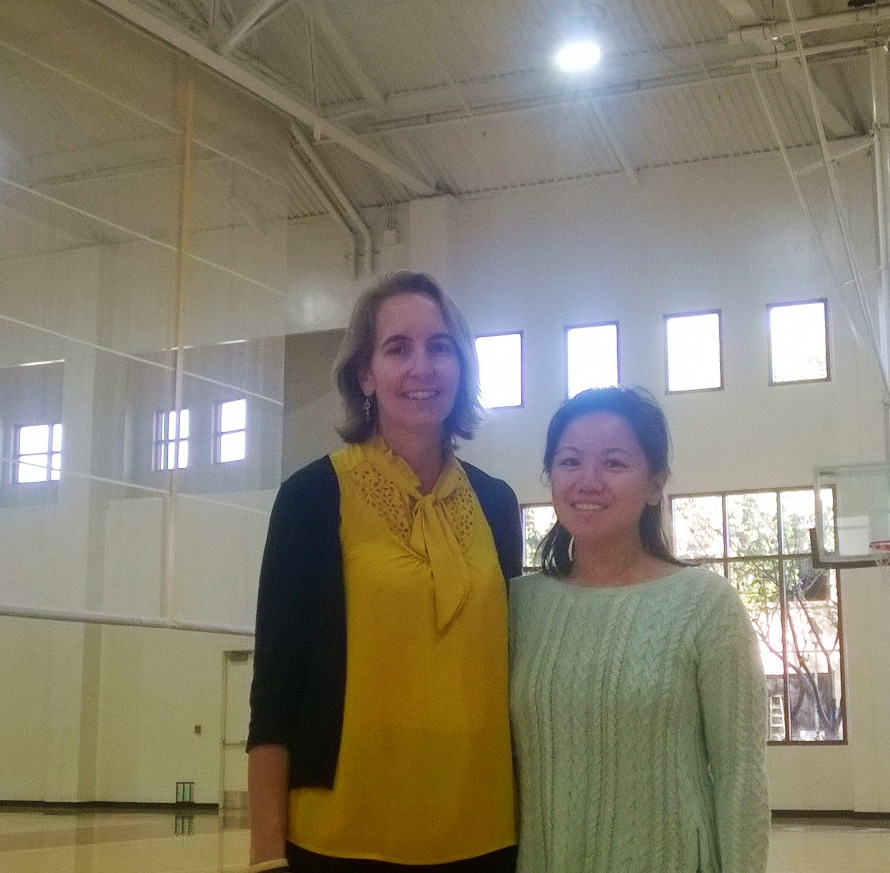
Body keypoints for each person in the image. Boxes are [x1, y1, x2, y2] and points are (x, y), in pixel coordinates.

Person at [246, 271, 522, 873]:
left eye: (439, 347)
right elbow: (275, 691)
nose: (421, 366)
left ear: (462, 367)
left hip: (485, 836)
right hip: (341, 838)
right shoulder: (313, 496)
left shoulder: (498, 505)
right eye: (397, 348)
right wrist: (267, 854)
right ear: (365, 374)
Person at [509, 386, 770, 873]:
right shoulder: (520, 606)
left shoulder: (705, 605)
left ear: (656, 484)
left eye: (613, 463)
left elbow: (740, 776)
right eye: (569, 462)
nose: (588, 481)